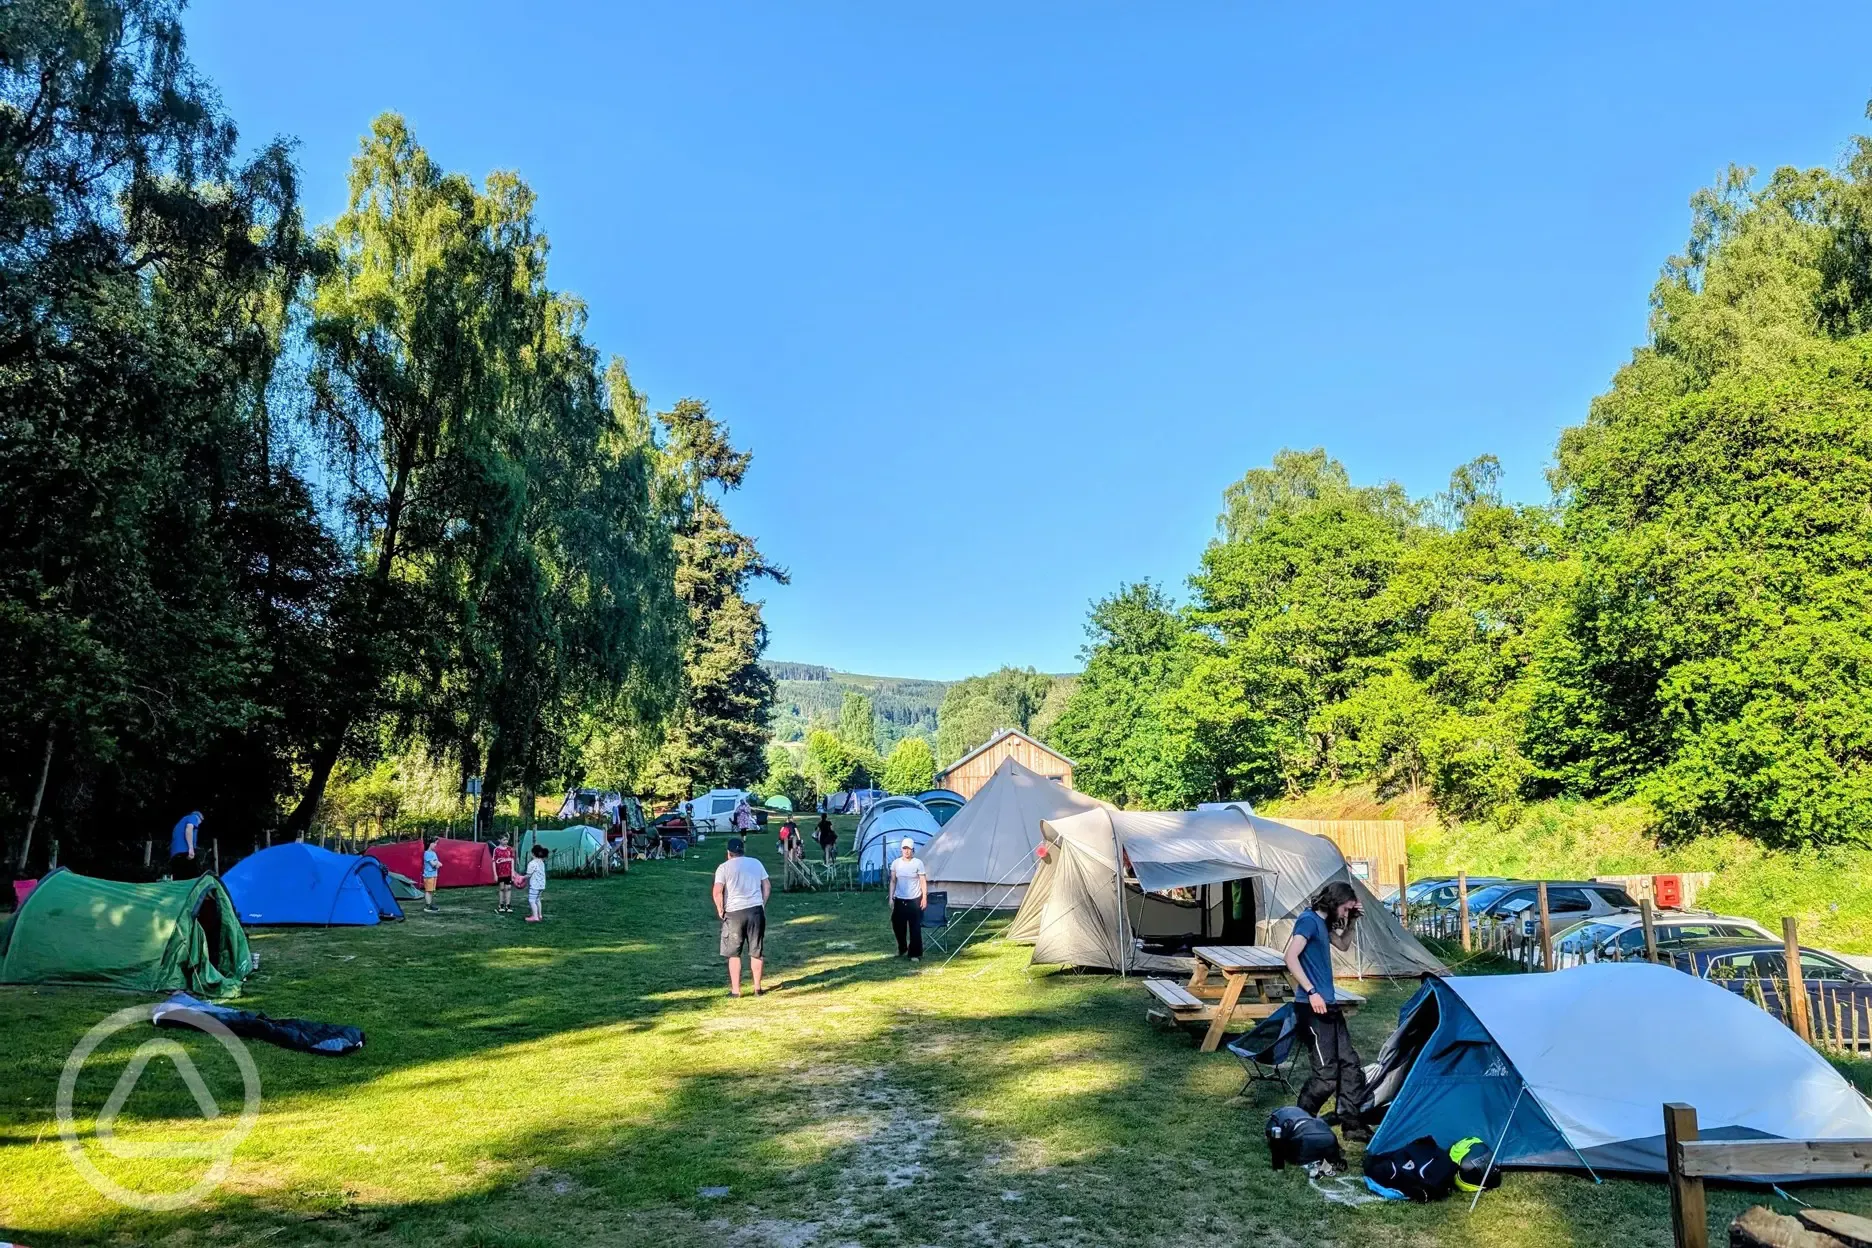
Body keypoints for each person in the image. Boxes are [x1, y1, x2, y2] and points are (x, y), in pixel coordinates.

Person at [1283, 880, 1370, 1140]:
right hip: (1312, 1007)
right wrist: (1311, 991)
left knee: (1350, 1065)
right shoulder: (1308, 921)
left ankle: (1351, 1124)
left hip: (1329, 1006)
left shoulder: (1321, 923)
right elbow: (1289, 957)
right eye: (1344, 909)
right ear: (1334, 903)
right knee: (1326, 1076)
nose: (1344, 914)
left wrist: (1352, 921)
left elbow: (1343, 945)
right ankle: (1298, 1125)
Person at [712, 837, 770, 997]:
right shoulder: (756, 863)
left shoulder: (723, 868)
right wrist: (762, 903)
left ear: (728, 853)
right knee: (756, 950)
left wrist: (720, 908)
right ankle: (757, 988)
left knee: (734, 953)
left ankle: (736, 991)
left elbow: (717, 891)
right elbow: (767, 885)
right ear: (743, 850)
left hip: (734, 912)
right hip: (755, 911)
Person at [887, 837, 928, 962]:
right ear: (901, 850)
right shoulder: (896, 863)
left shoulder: (918, 863)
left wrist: (924, 897)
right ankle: (902, 947)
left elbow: (922, 881)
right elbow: (893, 881)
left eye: (909, 849)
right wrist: (891, 897)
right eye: (904, 849)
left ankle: (914, 953)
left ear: (913, 850)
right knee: (897, 924)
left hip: (914, 899)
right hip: (900, 899)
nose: (906, 851)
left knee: (915, 927)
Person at [167, 811, 203, 879]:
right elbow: (189, 829)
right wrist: (191, 848)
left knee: (179, 881)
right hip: (185, 853)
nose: (198, 825)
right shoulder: (193, 817)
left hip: (175, 855)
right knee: (192, 880)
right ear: (200, 818)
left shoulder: (180, 823)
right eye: (200, 822)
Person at [491, 835, 517, 915]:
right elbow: (494, 862)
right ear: (500, 840)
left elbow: (512, 861)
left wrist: (512, 872)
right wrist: (495, 874)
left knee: (508, 888)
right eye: (504, 840)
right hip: (500, 873)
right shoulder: (496, 850)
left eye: (507, 840)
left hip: (508, 872)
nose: (506, 842)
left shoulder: (509, 849)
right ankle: (501, 905)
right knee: (502, 888)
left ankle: (508, 905)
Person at [523, 844, 549, 922]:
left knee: (531, 900)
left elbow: (529, 875)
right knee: (537, 899)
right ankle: (539, 915)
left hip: (535, 885)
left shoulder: (532, 863)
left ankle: (535, 917)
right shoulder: (541, 862)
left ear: (532, 853)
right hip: (541, 885)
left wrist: (521, 877)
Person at [421, 836, 442, 913]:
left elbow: (439, 864)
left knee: (431, 890)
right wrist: (436, 863)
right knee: (428, 891)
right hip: (428, 875)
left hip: (434, 875)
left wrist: (436, 863)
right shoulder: (427, 853)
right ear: (430, 844)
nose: (436, 845)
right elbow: (434, 864)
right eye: (435, 843)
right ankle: (427, 906)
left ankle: (430, 904)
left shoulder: (434, 853)